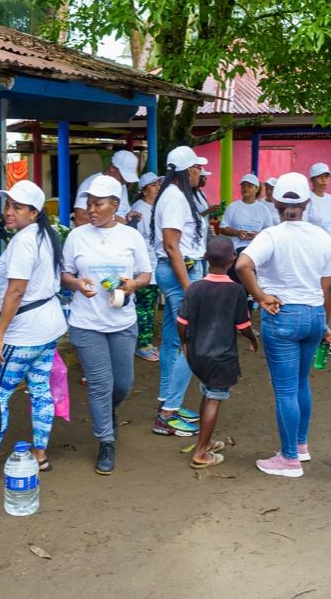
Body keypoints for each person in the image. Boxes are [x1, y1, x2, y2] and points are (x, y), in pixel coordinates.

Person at [0, 181, 67, 482]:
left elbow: (16, 291)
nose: (8, 212)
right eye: (7, 205)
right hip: (48, 326)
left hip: (24, 332)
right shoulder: (45, 235)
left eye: (17, 207)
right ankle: (40, 454)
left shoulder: (24, 241)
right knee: (39, 390)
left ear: (34, 212)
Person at [237, 173, 331, 477]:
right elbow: (328, 285)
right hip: (314, 315)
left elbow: (242, 265)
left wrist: (260, 296)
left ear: (275, 202)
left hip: (283, 317)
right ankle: (301, 446)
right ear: (306, 202)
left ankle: (289, 459)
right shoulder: (322, 236)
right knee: (301, 383)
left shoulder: (270, 235)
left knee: (284, 390)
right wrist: (325, 325)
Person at [62, 175, 152, 474]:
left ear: (114, 205)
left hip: (123, 321)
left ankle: (107, 414)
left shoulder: (131, 237)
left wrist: (131, 285)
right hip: (86, 323)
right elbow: (65, 275)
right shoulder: (77, 236)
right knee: (100, 384)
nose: (90, 209)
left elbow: (145, 275)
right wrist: (77, 283)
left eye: (97, 204)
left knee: (123, 383)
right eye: (88, 204)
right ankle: (106, 440)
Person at [177, 237, 257, 469]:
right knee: (214, 397)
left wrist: (185, 344)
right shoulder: (236, 290)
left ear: (205, 258)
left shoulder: (195, 287)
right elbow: (243, 326)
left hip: (198, 354)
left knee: (207, 392)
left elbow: (182, 321)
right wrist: (253, 339)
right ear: (232, 260)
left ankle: (207, 441)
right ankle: (200, 453)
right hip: (221, 356)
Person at [150, 146, 208, 436]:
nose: (201, 172)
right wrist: (189, 287)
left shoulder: (173, 194)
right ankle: (167, 413)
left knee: (174, 340)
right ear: (188, 170)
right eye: (197, 167)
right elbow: (172, 245)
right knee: (193, 341)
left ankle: (167, 401)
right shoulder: (174, 198)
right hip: (179, 272)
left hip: (176, 270)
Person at [130, 172, 162, 361]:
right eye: (153, 185)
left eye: (158, 184)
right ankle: (142, 344)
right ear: (143, 190)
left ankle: (145, 341)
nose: (157, 188)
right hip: (144, 267)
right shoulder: (139, 209)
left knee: (149, 306)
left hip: (156, 265)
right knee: (144, 306)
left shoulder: (157, 207)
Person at [219, 173, 271, 285]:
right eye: (243, 186)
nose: (245, 188)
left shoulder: (263, 209)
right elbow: (223, 228)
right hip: (236, 250)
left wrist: (258, 235)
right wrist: (237, 233)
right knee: (236, 282)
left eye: (249, 186)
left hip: (256, 251)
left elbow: (269, 231)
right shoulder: (233, 207)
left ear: (257, 189)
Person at [73, 150, 140, 226]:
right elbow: (80, 220)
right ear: (112, 167)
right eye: (123, 177)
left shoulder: (121, 185)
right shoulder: (90, 184)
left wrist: (128, 216)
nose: (125, 181)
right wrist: (115, 218)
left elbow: (122, 212)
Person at [307, 162, 331, 242]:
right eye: (319, 177)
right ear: (311, 180)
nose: (324, 180)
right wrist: (326, 239)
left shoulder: (330, 199)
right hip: (315, 247)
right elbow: (304, 227)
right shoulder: (307, 199)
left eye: (326, 177)